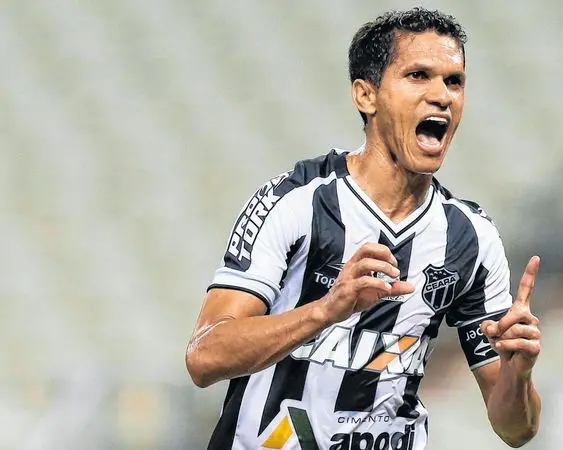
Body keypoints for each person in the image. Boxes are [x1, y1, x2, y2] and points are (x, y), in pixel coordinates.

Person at [186, 8, 541, 450]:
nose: (442, 96)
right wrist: (325, 311)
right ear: (366, 95)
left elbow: (515, 430)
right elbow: (204, 357)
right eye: (418, 76)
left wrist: (518, 374)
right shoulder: (297, 201)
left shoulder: (471, 237)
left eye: (454, 81)